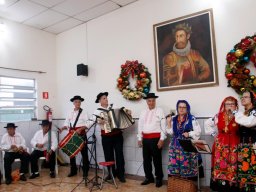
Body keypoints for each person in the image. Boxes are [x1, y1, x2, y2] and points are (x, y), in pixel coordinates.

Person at [205, 96, 239, 191]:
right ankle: (220, 186)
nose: (230, 106)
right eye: (227, 104)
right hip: (221, 143)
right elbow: (207, 124)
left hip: (234, 142)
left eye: (232, 104)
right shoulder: (218, 116)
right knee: (220, 163)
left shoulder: (239, 116)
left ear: (236, 106)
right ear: (224, 105)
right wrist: (214, 134)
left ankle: (232, 186)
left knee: (233, 164)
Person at [93, 92, 126, 183]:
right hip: (106, 136)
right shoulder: (97, 111)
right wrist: (99, 121)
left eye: (106, 98)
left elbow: (121, 114)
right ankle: (111, 174)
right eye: (104, 98)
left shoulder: (114, 106)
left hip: (117, 135)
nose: (106, 99)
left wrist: (127, 112)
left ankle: (121, 174)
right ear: (100, 101)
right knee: (108, 155)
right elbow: (95, 121)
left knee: (119, 155)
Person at [166, 100, 203, 178]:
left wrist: (189, 134)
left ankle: (187, 185)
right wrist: (169, 123)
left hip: (187, 147)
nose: (181, 109)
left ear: (187, 109)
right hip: (175, 147)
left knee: (187, 166)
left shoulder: (191, 118)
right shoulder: (174, 119)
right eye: (180, 107)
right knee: (175, 167)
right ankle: (177, 185)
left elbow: (198, 132)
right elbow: (171, 132)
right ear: (177, 108)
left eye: (184, 107)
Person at [137, 93, 166, 188]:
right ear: (146, 102)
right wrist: (139, 138)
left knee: (157, 160)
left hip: (156, 139)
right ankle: (149, 177)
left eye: (153, 100)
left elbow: (163, 126)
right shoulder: (143, 112)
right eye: (149, 100)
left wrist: (162, 139)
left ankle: (158, 178)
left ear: (155, 101)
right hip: (145, 139)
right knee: (146, 160)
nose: (151, 102)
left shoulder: (160, 111)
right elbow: (140, 126)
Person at [59, 95, 90, 178]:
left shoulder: (84, 112)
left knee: (84, 154)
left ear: (81, 103)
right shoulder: (70, 112)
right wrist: (63, 128)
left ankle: (85, 171)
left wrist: (81, 128)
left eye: (79, 102)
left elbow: (88, 123)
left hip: (81, 134)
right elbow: (66, 123)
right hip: (72, 133)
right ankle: (73, 171)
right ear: (73, 103)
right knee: (71, 153)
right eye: (76, 102)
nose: (78, 103)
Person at [234, 91, 256, 191]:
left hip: (253, 145)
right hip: (243, 145)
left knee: (253, 169)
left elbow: (249, 122)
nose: (243, 98)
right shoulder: (242, 113)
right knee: (244, 169)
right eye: (242, 97)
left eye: (246, 97)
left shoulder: (254, 111)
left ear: (252, 99)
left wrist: (236, 114)